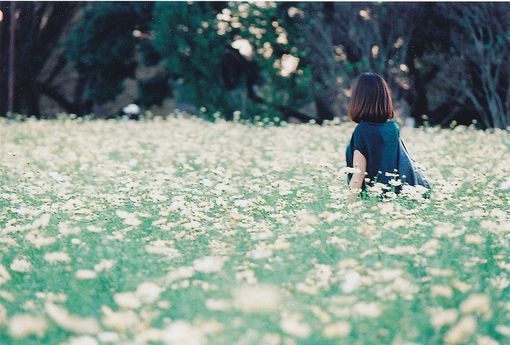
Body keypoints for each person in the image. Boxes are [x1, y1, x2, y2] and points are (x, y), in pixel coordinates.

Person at [345, 72, 401, 200]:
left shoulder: (362, 130)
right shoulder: (393, 128)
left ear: (359, 99)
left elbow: (358, 175)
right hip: (393, 201)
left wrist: (347, 208)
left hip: (371, 203)